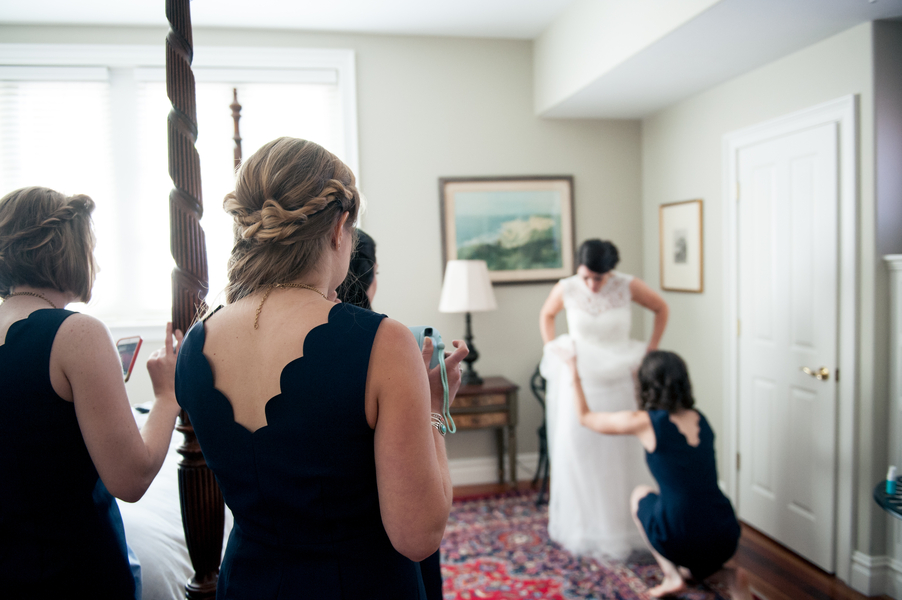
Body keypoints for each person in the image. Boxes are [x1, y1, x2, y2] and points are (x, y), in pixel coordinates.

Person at [175, 137, 468, 599]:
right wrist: (433, 410)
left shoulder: (196, 343)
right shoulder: (382, 342)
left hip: (248, 583)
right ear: (339, 227)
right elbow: (418, 535)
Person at [0, 186, 183, 599]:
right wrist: (166, 397)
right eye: (91, 247)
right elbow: (131, 479)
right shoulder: (76, 332)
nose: (95, 262)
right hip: (72, 574)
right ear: (66, 249)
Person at [567, 350, 750, 599]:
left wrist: (572, 370)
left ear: (647, 385)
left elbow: (586, 418)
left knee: (640, 495)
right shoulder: (700, 418)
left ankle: (672, 577)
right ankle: (729, 576)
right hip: (725, 530)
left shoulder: (646, 422)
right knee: (698, 556)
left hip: (681, 531)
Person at [538, 239, 668, 559]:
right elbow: (547, 315)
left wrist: (652, 348)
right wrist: (552, 347)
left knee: (621, 453)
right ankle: (585, 527)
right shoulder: (566, 287)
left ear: (611, 271)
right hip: (580, 380)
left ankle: (625, 527)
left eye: (599, 278)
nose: (592, 285)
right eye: (586, 277)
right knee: (580, 451)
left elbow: (661, 308)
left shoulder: (628, 285)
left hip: (620, 379)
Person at [337, 229, 443, 600]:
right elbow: (423, 531)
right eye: (377, 272)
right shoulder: (391, 345)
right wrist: (434, 409)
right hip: (380, 553)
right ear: (367, 277)